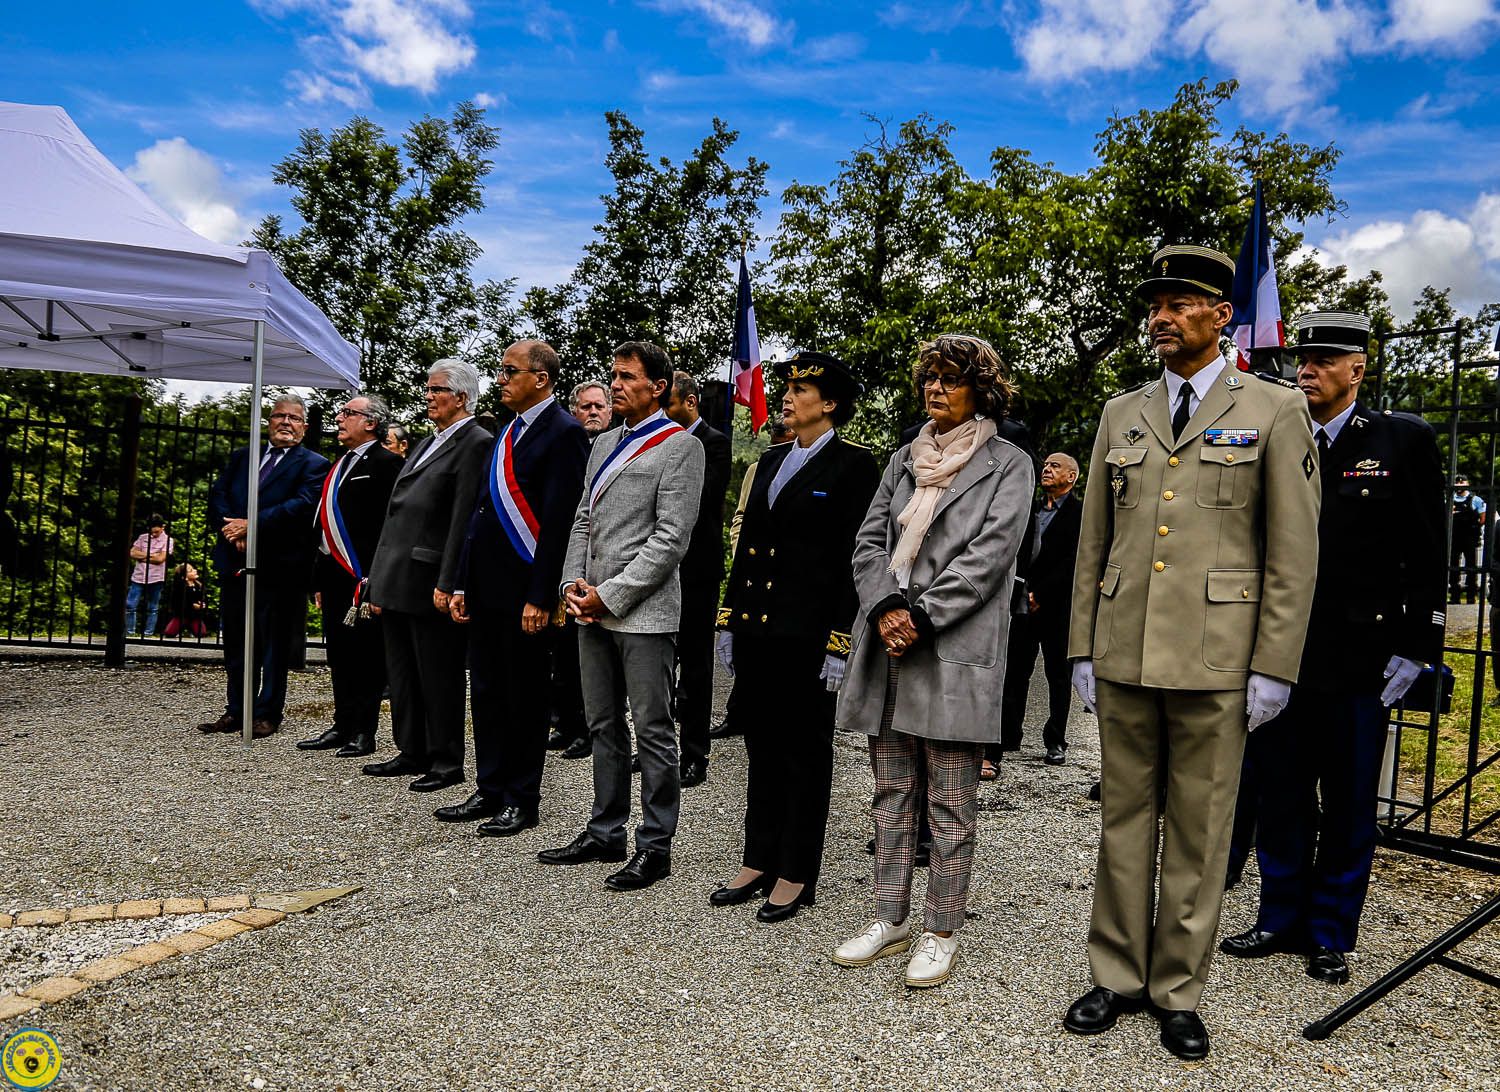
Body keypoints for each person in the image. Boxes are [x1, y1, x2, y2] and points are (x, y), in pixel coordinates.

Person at [1063, 245, 1319, 1061]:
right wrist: (1080, 648)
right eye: (1157, 303)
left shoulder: (1276, 409)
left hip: (1219, 657)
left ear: (1220, 315)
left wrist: (1274, 663)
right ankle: (1117, 975)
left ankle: (1178, 988)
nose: (1162, 316)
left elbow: (1293, 551)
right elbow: (1093, 542)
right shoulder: (1121, 411)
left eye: (1181, 302)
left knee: (1203, 831)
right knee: (1123, 821)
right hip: (1126, 651)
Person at [1220, 311, 1445, 985]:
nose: (1307, 369)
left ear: (1358, 368)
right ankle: (1278, 915)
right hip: (1283, 651)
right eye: (1303, 358)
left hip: (1363, 655)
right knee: (1282, 792)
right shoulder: (1278, 436)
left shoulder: (1400, 440)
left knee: (1349, 802)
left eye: (1325, 359)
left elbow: (1428, 550)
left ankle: (1329, 931)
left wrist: (1420, 643)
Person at [829, 334, 1031, 986]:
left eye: (949, 379)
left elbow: (989, 558)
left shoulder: (1009, 464)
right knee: (891, 796)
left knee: (949, 804)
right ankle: (890, 918)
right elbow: (866, 542)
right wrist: (886, 606)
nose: (935, 390)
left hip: (948, 650)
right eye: (929, 379)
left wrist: (917, 615)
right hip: (888, 650)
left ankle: (941, 931)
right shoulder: (902, 460)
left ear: (982, 388)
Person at [711, 350, 880, 923]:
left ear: (829, 404)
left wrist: (839, 641)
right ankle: (757, 857)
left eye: (801, 391)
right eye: (787, 388)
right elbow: (748, 542)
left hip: (807, 635)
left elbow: (853, 561)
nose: (786, 396)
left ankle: (795, 870)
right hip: (760, 627)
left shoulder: (857, 466)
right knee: (761, 746)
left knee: (804, 753)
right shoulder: (773, 456)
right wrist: (728, 618)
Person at [538, 341, 704, 892]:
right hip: (588, 606)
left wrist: (611, 594)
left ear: (658, 387)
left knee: (653, 730)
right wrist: (569, 583)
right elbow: (582, 520)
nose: (615, 385)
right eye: (613, 375)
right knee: (603, 724)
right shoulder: (604, 441)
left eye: (628, 377)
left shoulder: (680, 446)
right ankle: (605, 828)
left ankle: (655, 844)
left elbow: (670, 539)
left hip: (643, 612)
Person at [441, 341, 589, 835]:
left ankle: (522, 798)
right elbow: (479, 515)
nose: (500, 379)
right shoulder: (505, 432)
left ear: (541, 378)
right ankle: (490, 788)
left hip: (525, 591)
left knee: (523, 696)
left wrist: (541, 595)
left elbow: (558, 521)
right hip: (485, 587)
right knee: (484, 690)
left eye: (510, 371)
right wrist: (462, 581)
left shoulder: (564, 434)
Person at [363, 359, 492, 793]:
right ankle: (411, 747)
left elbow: (462, 517)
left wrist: (450, 579)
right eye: (428, 388)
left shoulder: (476, 441)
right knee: (402, 669)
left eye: (436, 389)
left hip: (429, 573)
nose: (428, 396)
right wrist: (376, 578)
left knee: (438, 672)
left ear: (460, 397)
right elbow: (398, 511)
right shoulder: (425, 442)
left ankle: (445, 758)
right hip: (398, 573)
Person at [197, 395, 329, 738]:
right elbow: (218, 495)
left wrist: (251, 525)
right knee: (237, 641)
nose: (285, 422)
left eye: (294, 418)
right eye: (278, 416)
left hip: (280, 565)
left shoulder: (313, 463)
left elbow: (301, 506)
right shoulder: (244, 457)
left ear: (304, 427)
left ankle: (267, 713)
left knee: (273, 643)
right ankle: (235, 709)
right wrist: (232, 529)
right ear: (268, 421)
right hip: (235, 558)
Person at [297, 394, 403, 759]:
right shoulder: (339, 464)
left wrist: (377, 578)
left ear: (371, 422)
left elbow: (391, 528)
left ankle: (363, 730)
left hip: (363, 576)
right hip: (332, 574)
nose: (340, 418)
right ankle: (342, 723)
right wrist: (316, 580)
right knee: (338, 653)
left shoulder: (388, 464)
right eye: (341, 412)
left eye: (349, 413)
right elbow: (321, 527)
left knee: (366, 656)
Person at [665, 371, 732, 787]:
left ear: (690, 402)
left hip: (697, 571)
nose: (664, 413)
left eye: (669, 404)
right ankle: (656, 747)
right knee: (657, 667)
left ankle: (694, 754)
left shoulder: (716, 444)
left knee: (694, 668)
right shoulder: (659, 443)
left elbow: (700, 501)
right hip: (661, 571)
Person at [711, 416, 794, 743]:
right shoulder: (757, 470)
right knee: (745, 647)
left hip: (787, 579)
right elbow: (742, 516)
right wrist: (743, 549)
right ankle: (737, 715)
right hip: (754, 573)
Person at [997, 453, 1082, 767]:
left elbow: (1073, 561)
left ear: (1071, 477)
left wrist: (1041, 592)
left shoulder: (1079, 514)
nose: (1047, 469)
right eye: (1045, 465)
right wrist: (1023, 591)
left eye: (1055, 466)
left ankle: (1056, 740)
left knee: (1058, 676)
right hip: (1023, 604)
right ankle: (1008, 735)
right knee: (1016, 671)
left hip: (1058, 607)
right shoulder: (1030, 511)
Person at [546, 378, 615, 759]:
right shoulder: (568, 445)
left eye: (598, 406)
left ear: (609, 410)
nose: (592, 412)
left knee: (593, 656)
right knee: (564, 652)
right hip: (568, 560)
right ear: (575, 411)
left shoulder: (617, 447)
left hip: (602, 565)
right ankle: (567, 722)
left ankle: (590, 729)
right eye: (585, 406)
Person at [125, 513, 172, 637]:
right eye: (152, 532)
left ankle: (148, 634)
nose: (153, 535)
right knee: (130, 605)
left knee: (152, 607)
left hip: (156, 577)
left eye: (156, 532)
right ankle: (130, 632)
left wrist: (143, 556)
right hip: (139, 576)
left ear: (163, 527)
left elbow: (160, 559)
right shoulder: (142, 537)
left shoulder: (168, 540)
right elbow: (132, 553)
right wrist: (152, 555)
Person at [1450, 474, 1485, 603]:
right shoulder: (1450, 498)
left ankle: (1471, 596)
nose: (1459, 485)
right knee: (1453, 567)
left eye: (1462, 483)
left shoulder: (1475, 499)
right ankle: (1454, 596)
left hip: (1470, 538)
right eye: (1457, 483)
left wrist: (1472, 527)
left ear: (1467, 483)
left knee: (1471, 567)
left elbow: (1482, 518)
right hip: (1454, 538)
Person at [163, 562, 209, 639]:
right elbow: (178, 602)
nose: (195, 570)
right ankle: (182, 628)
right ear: (184, 577)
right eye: (191, 570)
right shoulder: (180, 587)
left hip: (195, 616)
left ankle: (191, 628)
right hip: (182, 616)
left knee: (201, 633)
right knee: (169, 633)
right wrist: (192, 605)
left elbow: (203, 598)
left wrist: (202, 604)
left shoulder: (198, 586)